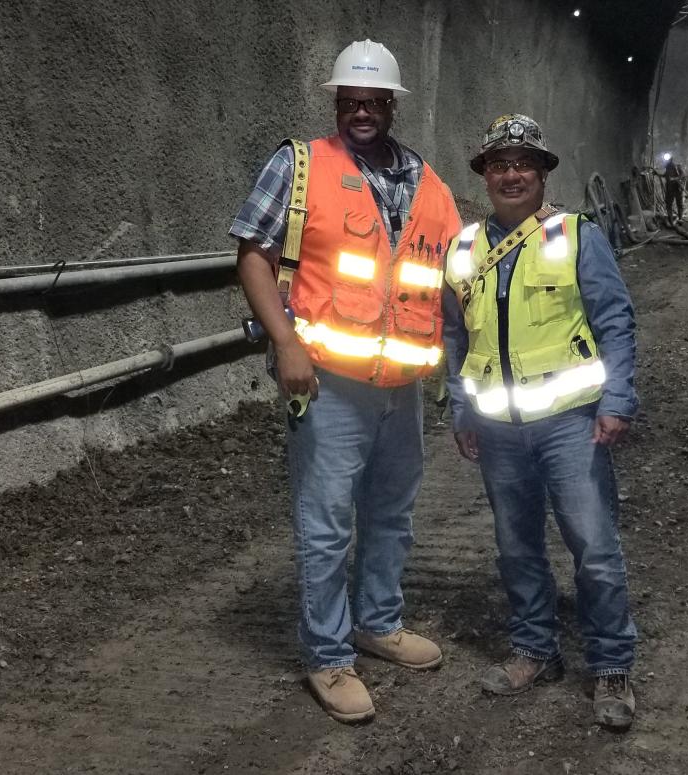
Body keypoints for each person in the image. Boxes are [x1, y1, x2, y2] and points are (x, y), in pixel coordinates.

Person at [230, 39, 462, 724]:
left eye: (373, 101)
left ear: (391, 105)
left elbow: (453, 277)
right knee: (327, 523)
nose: (361, 111)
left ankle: (377, 622)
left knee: (392, 514)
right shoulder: (300, 166)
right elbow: (252, 253)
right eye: (349, 101)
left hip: (402, 386)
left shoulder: (429, 184)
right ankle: (329, 654)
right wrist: (285, 339)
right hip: (328, 382)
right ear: (337, 104)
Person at [441, 114, 640, 731]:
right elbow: (454, 334)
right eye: (498, 164)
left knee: (595, 548)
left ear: (542, 172)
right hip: (498, 431)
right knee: (516, 546)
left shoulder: (579, 234)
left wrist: (617, 400)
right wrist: (460, 406)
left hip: (569, 424)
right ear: (485, 175)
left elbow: (615, 320)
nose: (510, 173)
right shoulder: (464, 249)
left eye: (522, 163)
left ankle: (610, 665)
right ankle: (535, 650)